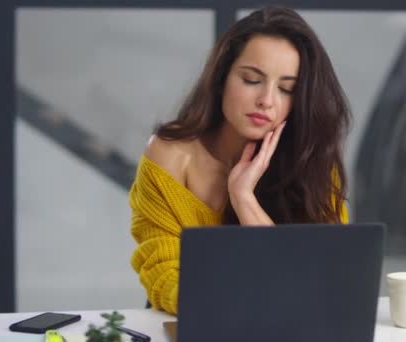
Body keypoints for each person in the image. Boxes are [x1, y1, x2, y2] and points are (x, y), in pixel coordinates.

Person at [129, 5, 352, 315]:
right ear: (222, 78)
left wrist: (244, 199)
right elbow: (165, 275)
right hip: (196, 324)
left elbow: (322, 283)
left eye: (287, 89)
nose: (267, 100)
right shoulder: (170, 155)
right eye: (251, 79)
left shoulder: (312, 161)